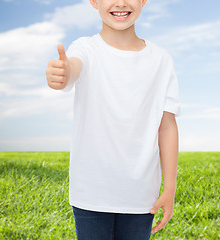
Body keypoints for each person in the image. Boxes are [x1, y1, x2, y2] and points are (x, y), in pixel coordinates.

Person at [46, 0, 181, 239]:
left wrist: (169, 188)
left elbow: (167, 126)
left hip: (141, 195)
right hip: (91, 192)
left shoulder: (161, 59)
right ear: (94, 1)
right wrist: (64, 73)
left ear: (143, 1)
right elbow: (73, 68)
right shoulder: (85, 48)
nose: (120, 3)